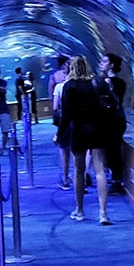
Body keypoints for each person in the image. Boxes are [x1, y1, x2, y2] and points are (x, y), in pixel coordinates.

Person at [59, 56, 112, 224]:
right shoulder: (97, 83)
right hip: (97, 129)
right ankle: (103, 212)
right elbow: (111, 102)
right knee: (100, 171)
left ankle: (80, 210)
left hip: (79, 131)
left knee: (79, 171)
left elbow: (66, 115)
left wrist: (59, 134)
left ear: (72, 68)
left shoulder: (69, 86)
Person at [98, 52, 128, 190]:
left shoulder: (109, 82)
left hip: (111, 120)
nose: (101, 64)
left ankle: (117, 180)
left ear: (111, 65)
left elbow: (111, 100)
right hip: (116, 119)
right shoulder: (120, 82)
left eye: (104, 62)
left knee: (112, 150)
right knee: (113, 149)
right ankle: (116, 178)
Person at [49, 55, 73, 189]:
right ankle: (81, 179)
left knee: (64, 151)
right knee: (79, 152)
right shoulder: (81, 85)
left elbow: (56, 108)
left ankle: (65, 178)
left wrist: (58, 130)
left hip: (65, 122)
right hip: (80, 123)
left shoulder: (59, 87)